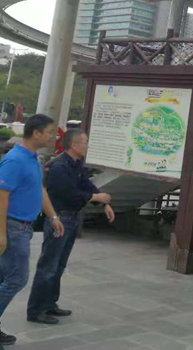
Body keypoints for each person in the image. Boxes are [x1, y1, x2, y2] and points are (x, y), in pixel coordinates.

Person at [27, 129, 115, 325]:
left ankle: (49, 303)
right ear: (74, 145)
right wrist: (96, 197)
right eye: (85, 142)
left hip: (72, 218)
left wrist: (104, 203)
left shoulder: (76, 165)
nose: (87, 146)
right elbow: (69, 193)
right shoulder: (58, 166)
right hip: (59, 219)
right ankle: (35, 310)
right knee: (48, 265)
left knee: (59, 265)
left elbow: (87, 186)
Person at [0, 114, 64, 347]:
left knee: (4, 277)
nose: (52, 137)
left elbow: (39, 189)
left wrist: (53, 216)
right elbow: (1, 196)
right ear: (36, 133)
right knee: (17, 279)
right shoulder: (15, 160)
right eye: (49, 132)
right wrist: (1, 233)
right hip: (13, 227)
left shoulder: (33, 158)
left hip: (23, 227)